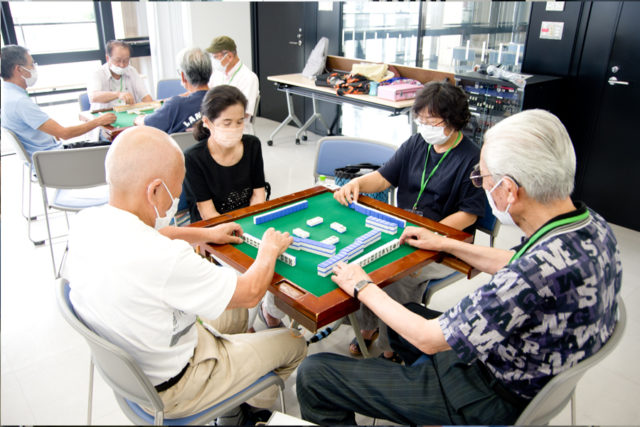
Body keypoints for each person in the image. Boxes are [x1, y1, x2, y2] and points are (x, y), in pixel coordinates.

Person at [295, 109, 622, 425]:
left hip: (487, 394)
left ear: (509, 190)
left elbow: (428, 338)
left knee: (315, 375)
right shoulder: (590, 225)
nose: (481, 185)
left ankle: (429, 402)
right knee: (400, 317)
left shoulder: (529, 278)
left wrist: (361, 285)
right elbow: (513, 261)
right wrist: (446, 243)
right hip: (526, 366)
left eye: (484, 178)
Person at [65, 126, 307, 420]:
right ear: (154, 190)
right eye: (175, 193)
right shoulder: (165, 259)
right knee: (294, 343)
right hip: (179, 387)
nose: (176, 202)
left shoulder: (86, 222)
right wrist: (269, 248)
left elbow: (158, 234)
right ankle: (243, 412)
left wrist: (205, 233)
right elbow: (250, 292)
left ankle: (235, 391)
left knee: (234, 316)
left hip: (140, 365)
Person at [296, 81, 486, 358]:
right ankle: (368, 326)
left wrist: (430, 233)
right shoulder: (417, 143)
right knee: (361, 258)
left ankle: (392, 346)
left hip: (445, 242)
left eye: (431, 121)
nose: (424, 127)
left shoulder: (472, 159)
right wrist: (358, 184)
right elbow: (384, 177)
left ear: (454, 120)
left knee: (397, 277)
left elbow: (469, 214)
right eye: (420, 120)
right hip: (404, 230)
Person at [1, 45, 116, 158]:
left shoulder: (8, 94)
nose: (34, 68)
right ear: (19, 69)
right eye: (31, 65)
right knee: (115, 149)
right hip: (53, 158)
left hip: (46, 155)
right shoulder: (19, 102)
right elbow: (65, 133)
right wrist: (98, 121)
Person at [183, 85, 266, 223]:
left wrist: (252, 225)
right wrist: (237, 231)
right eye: (227, 123)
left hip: (248, 220)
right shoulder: (193, 158)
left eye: (240, 122)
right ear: (207, 122)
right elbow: (207, 212)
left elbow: (259, 195)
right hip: (213, 227)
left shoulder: (252, 145)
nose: (234, 128)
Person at [134, 47, 210, 134]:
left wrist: (138, 119)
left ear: (183, 76)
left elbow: (146, 124)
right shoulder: (220, 98)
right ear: (210, 72)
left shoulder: (175, 105)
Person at [206, 36, 259, 133]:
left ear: (229, 56)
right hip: (216, 125)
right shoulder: (217, 74)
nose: (213, 60)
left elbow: (244, 113)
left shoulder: (249, 78)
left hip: (236, 130)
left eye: (216, 57)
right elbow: (207, 96)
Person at [87, 40, 153, 111]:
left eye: (126, 61)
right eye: (118, 60)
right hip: (104, 114)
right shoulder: (97, 73)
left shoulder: (131, 71)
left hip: (129, 112)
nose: (122, 65)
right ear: (108, 58)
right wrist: (118, 94)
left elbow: (145, 96)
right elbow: (93, 97)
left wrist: (154, 108)